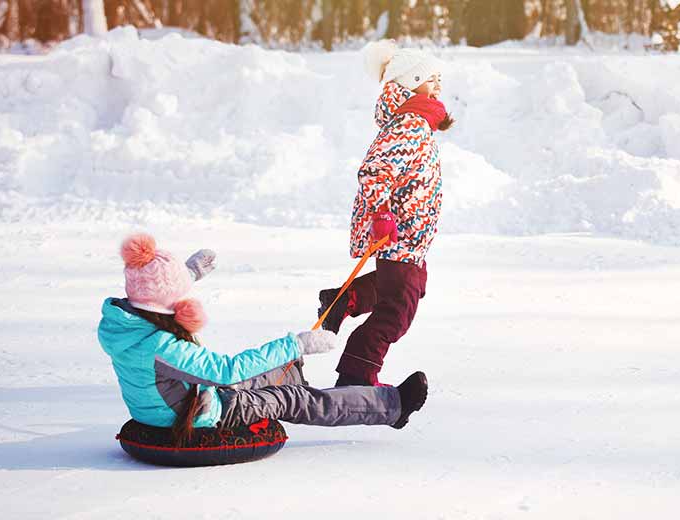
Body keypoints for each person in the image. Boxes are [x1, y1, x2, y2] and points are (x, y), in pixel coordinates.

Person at [98, 233, 428, 446]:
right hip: (201, 415)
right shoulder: (162, 347)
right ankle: (392, 407)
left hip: (171, 405)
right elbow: (226, 372)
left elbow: (153, 294)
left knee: (273, 372)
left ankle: (306, 379)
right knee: (293, 398)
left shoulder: (128, 324)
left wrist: (190, 273)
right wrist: (297, 344)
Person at [318, 40, 454, 387]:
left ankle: (343, 299)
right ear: (411, 82)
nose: (438, 85)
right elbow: (375, 171)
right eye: (431, 78)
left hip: (410, 234)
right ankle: (357, 376)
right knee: (397, 311)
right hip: (398, 231)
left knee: (411, 287)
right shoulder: (410, 123)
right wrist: (381, 214)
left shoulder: (416, 121)